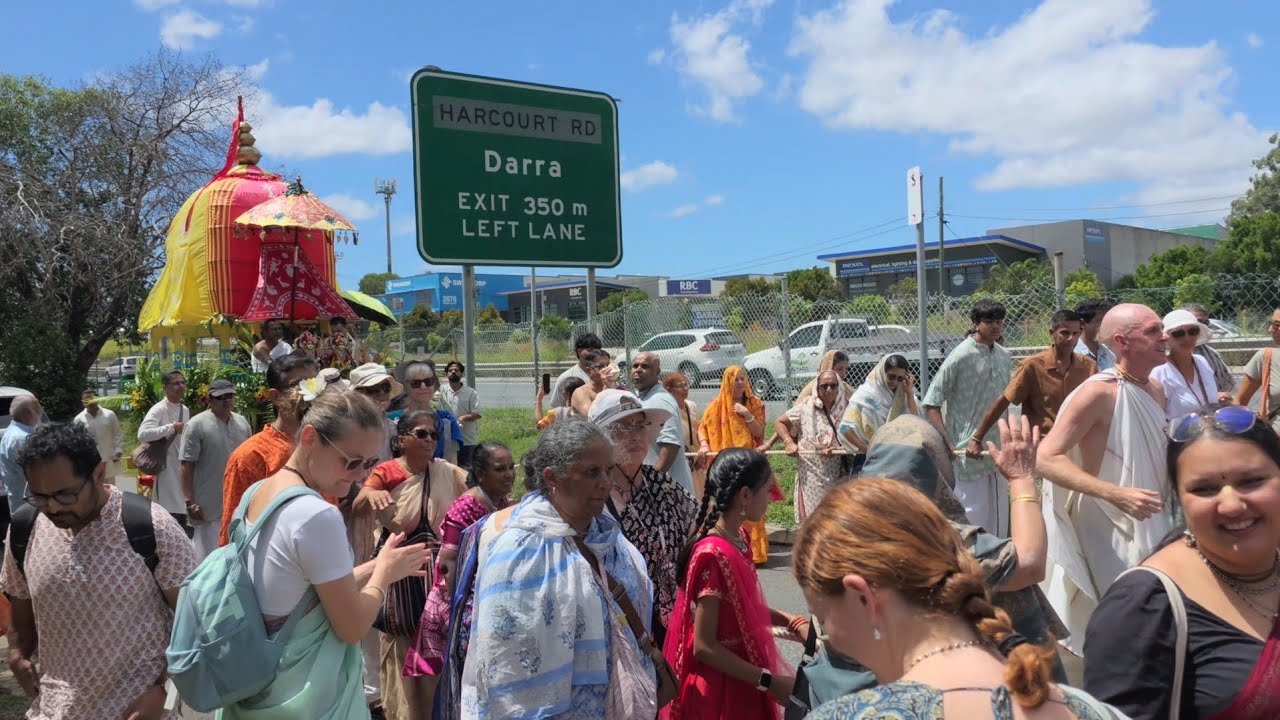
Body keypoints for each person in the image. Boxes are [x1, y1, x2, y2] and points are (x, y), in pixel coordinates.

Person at [791, 477, 1116, 720]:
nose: (829, 637)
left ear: (863, 597)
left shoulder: (845, 717)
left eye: (822, 614)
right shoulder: (1090, 711)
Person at [220, 390, 430, 719]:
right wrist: (383, 575)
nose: (361, 475)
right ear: (309, 438)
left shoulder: (259, 492)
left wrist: (379, 564)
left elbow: (299, 591)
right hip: (302, 695)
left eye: (370, 463)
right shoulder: (317, 515)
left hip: (257, 685)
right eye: (351, 461)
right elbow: (353, 627)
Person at [1084, 404, 1280, 719]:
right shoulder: (1145, 606)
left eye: (1252, 481)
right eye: (1204, 489)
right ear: (1178, 497)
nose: (1230, 505)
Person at [461, 418, 655, 720]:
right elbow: (503, 663)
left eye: (608, 469)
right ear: (552, 477)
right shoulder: (519, 551)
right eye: (591, 472)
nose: (605, 482)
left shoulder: (611, 540)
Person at [2, 422, 197, 720]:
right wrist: (16, 653)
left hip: (139, 711)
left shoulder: (150, 529)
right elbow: (21, 617)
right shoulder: (25, 530)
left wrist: (165, 696)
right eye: (40, 497)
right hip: (53, 711)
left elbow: (199, 626)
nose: (52, 508)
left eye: (65, 494)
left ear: (98, 473)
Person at [861, 414, 1066, 680]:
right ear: (935, 468)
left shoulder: (845, 538)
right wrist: (1021, 478)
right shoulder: (939, 541)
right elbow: (1029, 563)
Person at [1037, 303, 1174, 680]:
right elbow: (1047, 458)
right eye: (1153, 331)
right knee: (1115, 624)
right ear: (1121, 341)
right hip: (1106, 526)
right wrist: (1115, 494)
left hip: (1154, 518)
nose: (1164, 338)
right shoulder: (1097, 393)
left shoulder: (1158, 390)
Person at [662, 448, 795, 720]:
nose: (771, 499)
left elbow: (742, 609)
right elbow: (704, 646)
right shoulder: (712, 553)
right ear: (745, 495)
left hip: (743, 674)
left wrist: (790, 619)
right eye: (768, 490)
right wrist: (769, 681)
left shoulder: (740, 537)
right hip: (720, 691)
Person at [354, 410, 468, 720]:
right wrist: (372, 494)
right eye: (421, 433)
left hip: (438, 574)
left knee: (438, 645)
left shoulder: (446, 472)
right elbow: (360, 499)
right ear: (402, 440)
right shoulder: (388, 471)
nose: (430, 439)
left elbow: (473, 493)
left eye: (433, 434)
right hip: (401, 571)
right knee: (403, 645)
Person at [404, 441, 516, 714]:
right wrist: (461, 610)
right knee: (441, 673)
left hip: (481, 597)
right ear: (480, 475)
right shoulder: (467, 506)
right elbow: (448, 563)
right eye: (500, 469)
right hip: (454, 601)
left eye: (511, 467)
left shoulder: (500, 501)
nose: (509, 474)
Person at [590, 388, 696, 647]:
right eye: (622, 428)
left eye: (639, 426)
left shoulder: (661, 483)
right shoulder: (593, 494)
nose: (635, 435)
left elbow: (699, 530)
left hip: (675, 618)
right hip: (622, 624)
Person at [923, 299, 1014, 536]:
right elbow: (932, 401)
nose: (995, 326)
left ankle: (998, 566)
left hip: (996, 450)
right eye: (989, 321)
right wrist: (948, 442)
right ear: (976, 324)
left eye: (999, 322)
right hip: (967, 454)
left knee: (1000, 517)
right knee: (970, 518)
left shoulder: (1004, 356)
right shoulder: (960, 356)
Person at [219, 354, 321, 546]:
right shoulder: (251, 456)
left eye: (315, 385)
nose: (311, 395)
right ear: (275, 396)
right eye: (300, 386)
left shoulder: (327, 444)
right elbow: (231, 534)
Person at [971, 310, 1096, 445]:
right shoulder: (1032, 366)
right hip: (1042, 444)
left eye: (1075, 333)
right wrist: (977, 438)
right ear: (1052, 333)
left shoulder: (1088, 367)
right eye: (1065, 333)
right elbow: (1004, 401)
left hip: (1078, 443)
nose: (1071, 338)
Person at [698, 365, 772, 565]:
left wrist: (747, 415)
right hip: (726, 466)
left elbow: (758, 432)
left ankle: (756, 552)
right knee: (729, 504)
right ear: (726, 382)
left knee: (752, 502)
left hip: (748, 464)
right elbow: (702, 427)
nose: (740, 383)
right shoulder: (717, 405)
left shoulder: (754, 403)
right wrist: (704, 444)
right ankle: (729, 544)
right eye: (735, 379)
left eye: (742, 378)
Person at [180, 379, 252, 560]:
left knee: (238, 555)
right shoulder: (196, 425)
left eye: (230, 396)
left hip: (239, 501)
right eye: (221, 397)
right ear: (210, 400)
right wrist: (190, 501)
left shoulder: (242, 423)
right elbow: (186, 465)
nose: (227, 400)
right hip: (208, 505)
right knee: (208, 558)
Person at [775, 370, 849, 522]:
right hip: (812, 473)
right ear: (817, 387)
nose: (829, 390)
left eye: (833, 386)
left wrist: (837, 449)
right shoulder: (806, 406)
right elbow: (780, 422)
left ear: (839, 387)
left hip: (840, 472)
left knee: (838, 517)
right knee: (815, 518)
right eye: (824, 386)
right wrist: (788, 442)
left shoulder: (848, 408)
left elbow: (855, 436)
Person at [631, 352, 696, 496]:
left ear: (657, 372)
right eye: (635, 366)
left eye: (645, 366)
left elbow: (671, 444)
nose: (638, 370)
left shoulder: (661, 400)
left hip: (668, 492)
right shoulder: (644, 397)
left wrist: (652, 483)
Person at [837, 354, 918, 458]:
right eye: (891, 376)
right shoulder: (865, 396)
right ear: (881, 372)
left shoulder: (903, 396)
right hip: (869, 458)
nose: (895, 382)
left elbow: (916, 422)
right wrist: (868, 450)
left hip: (896, 456)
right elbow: (845, 429)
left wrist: (910, 393)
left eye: (900, 378)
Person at [138, 370, 191, 528]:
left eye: (182, 383)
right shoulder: (158, 409)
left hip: (181, 464)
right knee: (168, 511)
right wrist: (170, 427)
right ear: (165, 388)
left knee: (182, 508)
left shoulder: (185, 410)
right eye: (175, 383)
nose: (180, 386)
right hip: (165, 467)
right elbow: (143, 434)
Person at [389, 361, 463, 465]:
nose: (423, 387)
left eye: (428, 381)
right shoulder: (391, 420)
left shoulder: (446, 420)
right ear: (405, 386)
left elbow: (452, 462)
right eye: (416, 383)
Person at [1151, 309, 1218, 421]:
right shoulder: (1160, 370)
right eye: (1178, 333)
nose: (1187, 338)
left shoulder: (1202, 362)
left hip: (1208, 433)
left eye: (1193, 331)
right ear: (1166, 338)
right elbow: (1157, 418)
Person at [663, 372, 708, 498]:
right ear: (670, 390)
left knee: (700, 494)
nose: (685, 389)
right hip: (681, 459)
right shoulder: (668, 410)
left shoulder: (691, 406)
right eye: (680, 386)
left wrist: (701, 450)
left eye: (686, 385)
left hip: (696, 457)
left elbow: (698, 429)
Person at [1236, 307, 1280, 430]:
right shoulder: (1266, 357)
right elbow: (1240, 401)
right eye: (1272, 324)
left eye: (1277, 325)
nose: (1270, 329)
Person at [1184, 303, 1236, 400]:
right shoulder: (1166, 357)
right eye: (1198, 322)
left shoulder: (1212, 353)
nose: (1203, 326)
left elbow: (1226, 383)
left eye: (1206, 322)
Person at [1, 393, 41, 515]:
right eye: (38, 410)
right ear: (28, 413)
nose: (40, 414)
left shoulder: (12, 433)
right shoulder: (21, 439)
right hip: (28, 503)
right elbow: (36, 473)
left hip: (19, 500)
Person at [73, 389, 123, 484]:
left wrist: (118, 451)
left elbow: (118, 434)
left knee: (110, 490)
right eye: (86, 401)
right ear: (82, 402)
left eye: (91, 400)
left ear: (97, 399)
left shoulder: (109, 415)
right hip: (90, 464)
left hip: (108, 459)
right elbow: (76, 442)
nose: (89, 403)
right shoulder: (78, 419)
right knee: (92, 491)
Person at [439, 361, 481, 469]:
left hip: (466, 440)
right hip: (447, 439)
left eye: (456, 370)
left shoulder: (471, 393)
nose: (453, 372)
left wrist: (462, 418)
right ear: (446, 374)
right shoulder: (440, 391)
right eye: (450, 370)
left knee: (467, 470)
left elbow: (476, 414)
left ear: (462, 374)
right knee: (448, 470)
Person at [550, 331, 604, 409]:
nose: (595, 354)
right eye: (590, 350)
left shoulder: (605, 375)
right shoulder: (566, 377)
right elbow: (557, 408)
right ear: (579, 351)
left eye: (597, 350)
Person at [570, 348, 621, 417]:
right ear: (588, 370)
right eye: (601, 366)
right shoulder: (581, 392)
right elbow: (592, 417)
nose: (607, 369)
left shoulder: (616, 388)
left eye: (608, 365)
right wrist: (606, 388)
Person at [1075, 299, 1116, 371]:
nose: (1106, 326)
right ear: (1082, 324)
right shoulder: (1072, 353)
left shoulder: (1109, 353)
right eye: (1100, 321)